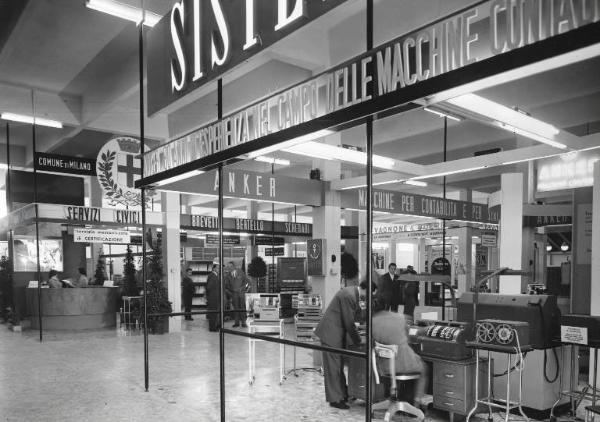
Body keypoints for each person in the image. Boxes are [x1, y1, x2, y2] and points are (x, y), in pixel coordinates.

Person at [315, 281, 374, 410]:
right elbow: (349, 322)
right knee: (333, 368)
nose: (368, 298)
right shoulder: (349, 295)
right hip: (331, 334)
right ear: (365, 289)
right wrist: (359, 340)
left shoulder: (354, 293)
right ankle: (335, 400)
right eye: (369, 295)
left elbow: (356, 315)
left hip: (337, 334)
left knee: (338, 366)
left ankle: (342, 394)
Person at [372, 298, 427, 409]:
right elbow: (408, 338)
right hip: (403, 363)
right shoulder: (401, 318)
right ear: (387, 306)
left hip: (383, 367)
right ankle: (416, 403)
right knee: (424, 368)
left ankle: (395, 398)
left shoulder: (372, 322)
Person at [224, 261, 250, 328]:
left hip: (241, 294)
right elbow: (226, 286)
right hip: (234, 295)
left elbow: (247, 282)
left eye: (231, 266)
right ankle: (236, 322)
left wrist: (242, 288)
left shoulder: (240, 272)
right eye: (228, 267)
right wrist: (231, 293)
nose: (230, 268)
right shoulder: (228, 275)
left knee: (242, 308)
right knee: (236, 308)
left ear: (234, 266)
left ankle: (244, 322)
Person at [205, 263, 221, 332]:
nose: (219, 269)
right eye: (218, 268)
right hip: (213, 298)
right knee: (213, 313)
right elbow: (209, 287)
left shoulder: (216, 275)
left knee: (215, 313)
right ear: (214, 268)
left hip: (215, 297)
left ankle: (215, 326)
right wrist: (211, 295)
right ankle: (212, 328)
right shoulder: (212, 276)